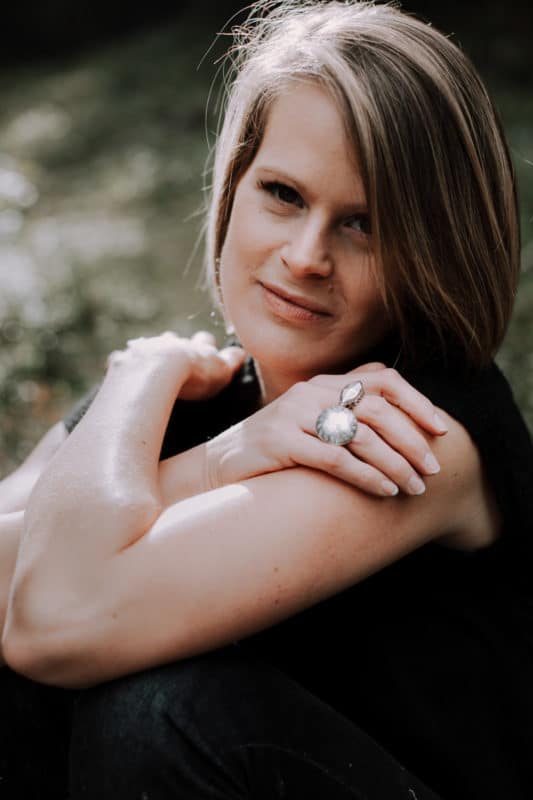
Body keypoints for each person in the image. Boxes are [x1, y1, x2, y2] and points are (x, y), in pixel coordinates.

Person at [1, 1, 532, 798]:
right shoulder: (182, 395)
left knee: (157, 709)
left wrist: (152, 425)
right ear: (232, 186)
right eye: (283, 193)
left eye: (364, 224)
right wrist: (182, 420)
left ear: (434, 247)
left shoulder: (407, 424)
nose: (306, 255)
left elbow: (54, 621)